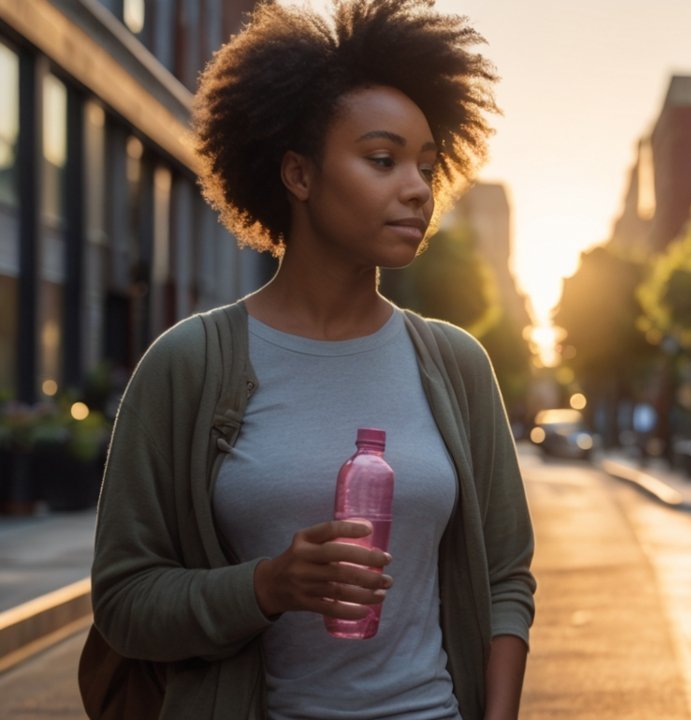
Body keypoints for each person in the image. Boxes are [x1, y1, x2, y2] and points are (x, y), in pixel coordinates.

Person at [84, 1, 534, 718]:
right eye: (382, 160)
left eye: (425, 164)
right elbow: (124, 601)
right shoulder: (189, 364)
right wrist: (266, 586)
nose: (418, 187)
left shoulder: (455, 365)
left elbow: (506, 578)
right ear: (298, 174)